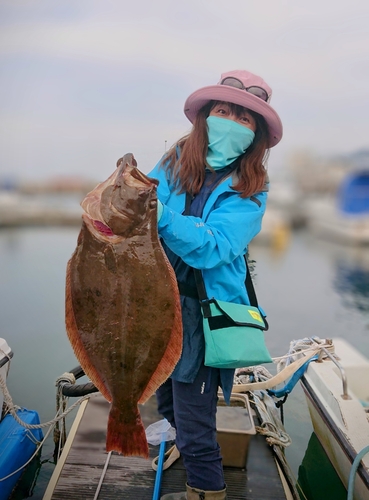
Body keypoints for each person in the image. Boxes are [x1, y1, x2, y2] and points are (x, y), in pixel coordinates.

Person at [148, 69, 283, 500]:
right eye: (223, 111)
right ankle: (171, 444)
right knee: (164, 394)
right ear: (205, 116)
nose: (231, 122)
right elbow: (142, 201)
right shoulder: (174, 160)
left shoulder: (252, 189)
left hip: (204, 316)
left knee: (194, 419)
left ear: (256, 134)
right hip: (158, 301)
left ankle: (206, 489)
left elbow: (215, 248)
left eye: (244, 118)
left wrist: (163, 217)